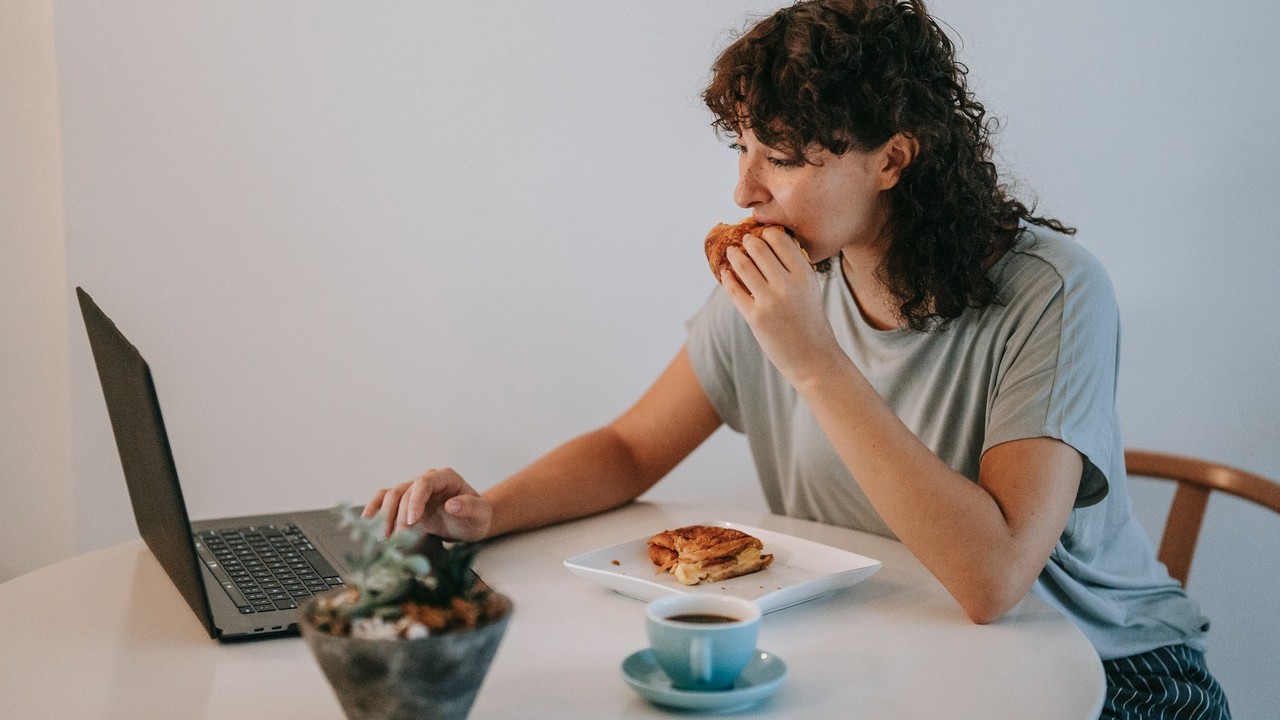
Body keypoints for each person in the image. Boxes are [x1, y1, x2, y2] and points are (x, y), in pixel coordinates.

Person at [365, 1, 1230, 717]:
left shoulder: (1053, 293)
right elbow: (632, 449)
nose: (743, 191)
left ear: (893, 158)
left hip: (1108, 672)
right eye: (741, 149)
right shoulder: (784, 277)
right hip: (877, 645)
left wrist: (812, 359)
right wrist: (488, 511)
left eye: (780, 158)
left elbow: (995, 581)